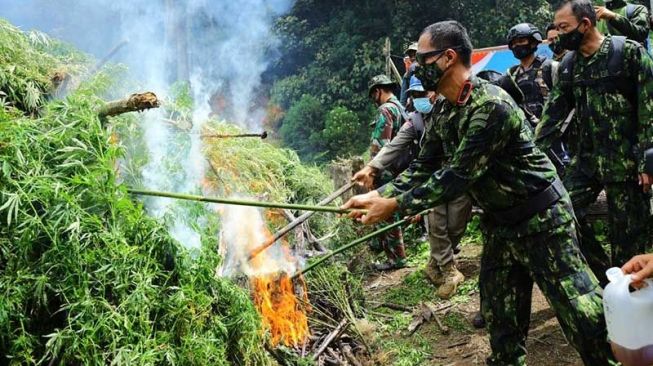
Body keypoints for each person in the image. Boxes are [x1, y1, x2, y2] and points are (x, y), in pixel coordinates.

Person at [343, 20, 614, 365]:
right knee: (501, 323)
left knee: (584, 319)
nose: (412, 68)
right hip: (501, 225)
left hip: (543, 221)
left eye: (421, 60)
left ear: (448, 58)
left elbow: (457, 176)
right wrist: (378, 193)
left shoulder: (490, 106)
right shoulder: (444, 108)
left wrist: (393, 204)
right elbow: (424, 165)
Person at [536, 0, 653, 286]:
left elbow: (649, 108)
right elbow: (552, 116)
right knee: (559, 214)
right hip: (586, 162)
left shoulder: (627, 53)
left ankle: (634, 301)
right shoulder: (568, 66)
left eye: (564, 28)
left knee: (630, 240)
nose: (559, 35)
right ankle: (606, 275)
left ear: (585, 25)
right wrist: (528, 154)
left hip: (627, 164)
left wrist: (647, 159)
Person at [354, 76, 470, 298]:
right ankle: (448, 270)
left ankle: (434, 264)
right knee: (437, 225)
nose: (419, 99)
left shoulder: (450, 112)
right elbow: (395, 144)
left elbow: (381, 143)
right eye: (414, 95)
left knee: (456, 225)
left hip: (459, 177)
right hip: (431, 177)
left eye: (423, 94)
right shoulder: (413, 119)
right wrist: (371, 167)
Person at [366, 74, 408, 271]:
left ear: (378, 91)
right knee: (392, 210)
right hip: (399, 166)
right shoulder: (400, 107)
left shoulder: (385, 110)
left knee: (386, 213)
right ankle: (388, 251)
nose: (373, 98)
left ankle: (396, 259)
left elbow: (381, 144)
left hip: (386, 169)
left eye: (373, 94)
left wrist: (371, 169)